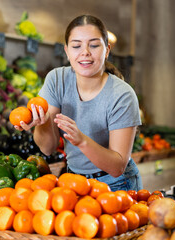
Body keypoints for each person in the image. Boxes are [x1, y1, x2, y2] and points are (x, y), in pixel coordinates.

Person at [15, 14, 143, 191]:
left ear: (107, 50)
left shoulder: (122, 95)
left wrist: (82, 141)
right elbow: (47, 148)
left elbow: (117, 167)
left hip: (116, 184)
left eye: (94, 45)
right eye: (76, 46)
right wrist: (42, 123)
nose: (85, 52)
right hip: (74, 181)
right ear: (67, 51)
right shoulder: (56, 79)